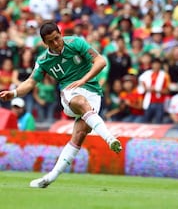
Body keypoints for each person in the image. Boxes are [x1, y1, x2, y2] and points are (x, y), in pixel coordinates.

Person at [0, 21, 122, 188]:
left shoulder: (76, 43)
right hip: (69, 91)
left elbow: (101, 61)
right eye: (51, 41)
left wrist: (84, 80)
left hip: (93, 91)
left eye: (57, 38)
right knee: (80, 102)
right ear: (45, 42)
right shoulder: (43, 60)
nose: (56, 44)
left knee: (79, 135)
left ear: (61, 33)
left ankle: (49, 178)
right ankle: (109, 138)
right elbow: (30, 82)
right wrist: (13, 93)